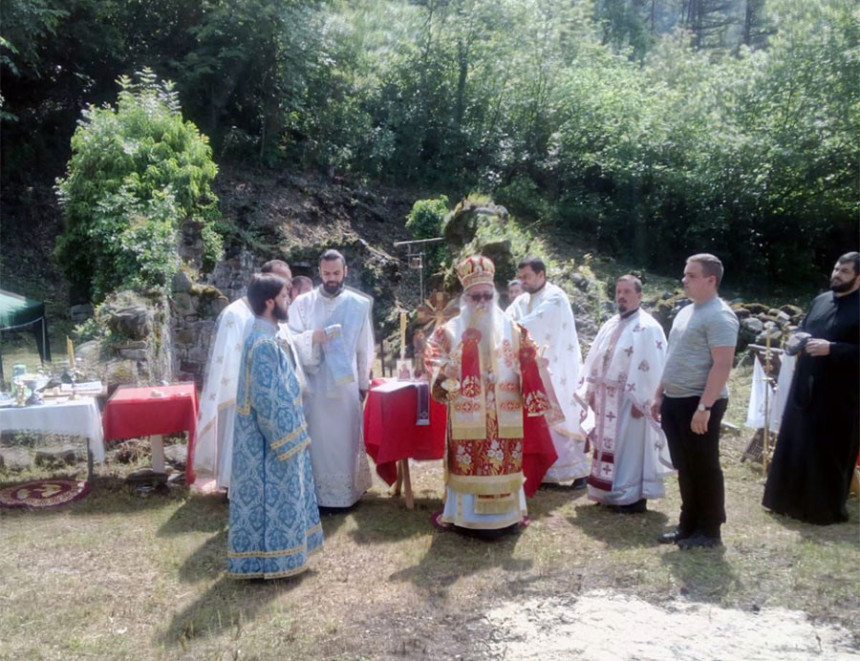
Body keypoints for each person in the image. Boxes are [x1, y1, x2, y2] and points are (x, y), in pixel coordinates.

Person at [425, 256, 557, 534]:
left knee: (505, 462)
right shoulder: (448, 332)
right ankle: (466, 518)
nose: (482, 302)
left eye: (487, 295)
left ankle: (507, 518)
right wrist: (452, 365)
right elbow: (433, 362)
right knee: (468, 462)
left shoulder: (514, 329)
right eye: (476, 297)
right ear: (465, 297)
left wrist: (530, 362)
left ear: (494, 295)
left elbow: (529, 360)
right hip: (467, 413)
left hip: (504, 416)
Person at [228, 272, 323, 579]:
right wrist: (295, 437)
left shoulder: (261, 337)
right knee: (273, 499)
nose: (288, 303)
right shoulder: (265, 344)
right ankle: (275, 560)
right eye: (284, 298)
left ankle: (263, 560)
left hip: (263, 437)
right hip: (270, 443)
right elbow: (270, 401)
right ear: (269, 302)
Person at [762, 252, 860, 525]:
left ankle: (821, 510)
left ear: (858, 277)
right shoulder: (821, 300)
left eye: (844, 271)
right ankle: (784, 501)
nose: (837, 274)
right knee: (795, 443)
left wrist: (834, 349)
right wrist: (798, 338)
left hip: (842, 394)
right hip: (806, 385)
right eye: (836, 268)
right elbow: (804, 327)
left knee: (826, 451)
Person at [652, 254, 738, 549]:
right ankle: (687, 525)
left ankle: (710, 530)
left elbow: (722, 365)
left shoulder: (721, 315)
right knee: (685, 466)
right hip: (675, 400)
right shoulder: (687, 311)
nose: (684, 280)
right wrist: (659, 393)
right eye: (684, 274)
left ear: (710, 280)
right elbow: (672, 355)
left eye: (691, 275)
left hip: (698, 403)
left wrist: (705, 407)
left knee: (704, 465)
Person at [193, 259, 295, 492]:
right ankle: (234, 486)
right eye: (283, 281)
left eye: (288, 282)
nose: (288, 287)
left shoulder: (277, 309)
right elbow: (227, 359)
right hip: (240, 395)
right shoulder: (235, 313)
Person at [288, 249, 374, 508]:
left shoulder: (359, 304)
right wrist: (312, 337)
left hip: (345, 386)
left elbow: (364, 346)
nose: (332, 278)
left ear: (345, 271)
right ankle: (318, 496)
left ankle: (346, 495)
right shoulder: (303, 303)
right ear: (319, 272)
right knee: (319, 441)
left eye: (336, 273)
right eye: (326, 273)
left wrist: (363, 384)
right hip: (314, 384)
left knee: (344, 439)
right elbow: (290, 339)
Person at [580, 275, 673, 513]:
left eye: (627, 292)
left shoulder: (648, 327)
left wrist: (646, 398)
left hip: (631, 399)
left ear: (639, 296)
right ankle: (608, 494)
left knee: (630, 448)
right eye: (618, 291)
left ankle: (631, 497)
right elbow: (595, 357)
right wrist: (590, 390)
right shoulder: (611, 323)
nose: (621, 296)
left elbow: (654, 365)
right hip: (606, 397)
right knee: (608, 446)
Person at [507, 257, 590, 487]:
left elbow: (535, 323)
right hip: (535, 369)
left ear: (541, 274)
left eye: (527, 277)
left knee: (562, 413)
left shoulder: (556, 297)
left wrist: (508, 328)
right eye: (521, 277)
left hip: (557, 367)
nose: (522, 282)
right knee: (540, 418)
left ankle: (577, 471)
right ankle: (547, 472)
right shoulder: (523, 299)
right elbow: (508, 318)